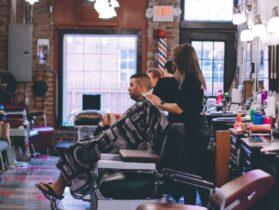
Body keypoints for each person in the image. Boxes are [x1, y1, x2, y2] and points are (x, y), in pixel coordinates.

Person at [35, 73, 169, 201]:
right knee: (84, 144)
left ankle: (59, 187)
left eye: (131, 85)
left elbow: (124, 131)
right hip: (122, 145)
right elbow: (123, 129)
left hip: (128, 150)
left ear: (141, 87)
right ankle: (61, 184)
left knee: (78, 149)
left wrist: (103, 136)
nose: (128, 88)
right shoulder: (144, 106)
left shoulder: (144, 106)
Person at [147, 43, 210, 206]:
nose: (173, 62)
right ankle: (194, 205)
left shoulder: (191, 81)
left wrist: (158, 102)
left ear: (182, 60)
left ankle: (204, 205)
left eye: (175, 59)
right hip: (194, 130)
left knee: (194, 172)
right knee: (191, 172)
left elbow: (179, 108)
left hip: (194, 132)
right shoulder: (190, 78)